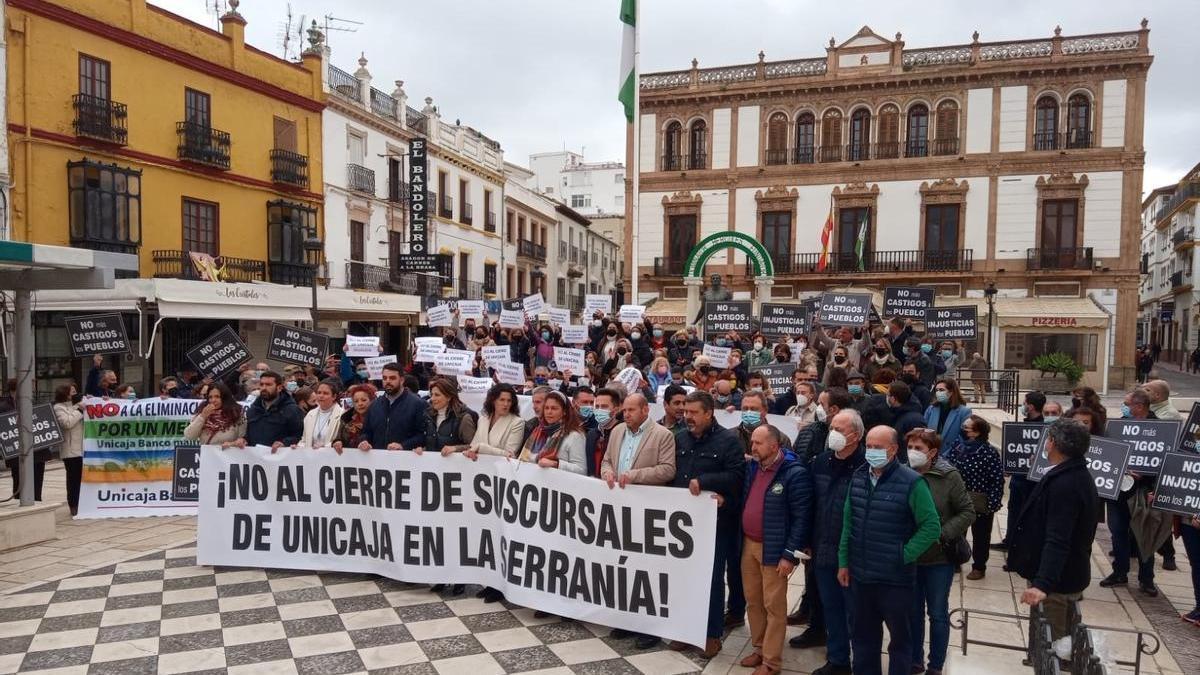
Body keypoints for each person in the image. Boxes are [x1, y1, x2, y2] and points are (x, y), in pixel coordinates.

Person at [838, 425, 941, 675]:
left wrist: (902, 555)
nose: (871, 451)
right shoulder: (860, 476)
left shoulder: (912, 482)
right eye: (869, 446)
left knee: (900, 642)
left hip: (895, 580)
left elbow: (931, 527)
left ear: (893, 450)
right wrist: (843, 561)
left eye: (878, 447)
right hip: (861, 576)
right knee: (863, 639)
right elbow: (848, 521)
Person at [1007, 419, 1099, 644]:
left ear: (1055, 443)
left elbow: (1058, 539)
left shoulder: (1067, 484)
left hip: (1057, 585)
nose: (1045, 444)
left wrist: (1042, 584)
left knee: (1053, 647)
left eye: (1048, 439)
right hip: (1061, 578)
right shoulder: (1068, 474)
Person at [669, 391, 746, 658]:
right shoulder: (679, 438)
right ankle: (684, 629)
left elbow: (737, 476)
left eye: (693, 413)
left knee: (711, 579)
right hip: (682, 524)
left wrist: (706, 482)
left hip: (716, 522)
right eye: (685, 412)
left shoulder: (729, 441)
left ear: (709, 413)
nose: (687, 417)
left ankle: (711, 635)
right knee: (683, 578)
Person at [602, 393, 678, 649]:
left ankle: (650, 627)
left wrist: (634, 475)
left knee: (647, 569)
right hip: (619, 508)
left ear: (646, 409)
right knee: (622, 566)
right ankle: (626, 619)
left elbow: (668, 470)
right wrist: (607, 472)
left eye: (631, 410)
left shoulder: (662, 435)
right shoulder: (617, 432)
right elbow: (607, 461)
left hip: (647, 509)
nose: (626, 414)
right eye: (624, 410)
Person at [739, 425, 812, 675]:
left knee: (774, 606)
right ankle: (759, 648)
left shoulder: (794, 473)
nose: (753, 447)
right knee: (753, 601)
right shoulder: (753, 467)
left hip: (774, 548)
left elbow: (802, 516)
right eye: (752, 442)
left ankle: (771, 662)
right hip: (748, 544)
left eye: (758, 443)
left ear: (774, 445)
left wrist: (789, 554)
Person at [797, 410, 865, 673]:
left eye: (840, 429)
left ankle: (861, 660)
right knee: (832, 608)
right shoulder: (821, 462)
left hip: (853, 553)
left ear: (856, 436)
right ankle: (838, 661)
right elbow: (810, 503)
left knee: (856, 613)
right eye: (832, 428)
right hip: (823, 548)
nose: (833, 433)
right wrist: (806, 539)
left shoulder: (865, 467)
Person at [905, 428, 975, 675]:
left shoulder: (948, 476)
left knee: (937, 612)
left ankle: (936, 664)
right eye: (910, 447)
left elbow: (967, 511)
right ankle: (914, 660)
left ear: (932, 452)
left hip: (938, 558)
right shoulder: (903, 473)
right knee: (912, 611)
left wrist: (941, 534)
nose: (913, 453)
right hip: (910, 556)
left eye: (919, 449)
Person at [945, 415, 1004, 580]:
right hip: (958, 497)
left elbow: (996, 479)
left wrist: (993, 502)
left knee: (981, 535)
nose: (963, 429)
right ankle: (956, 560)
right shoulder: (958, 446)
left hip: (979, 500)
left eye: (967, 428)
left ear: (976, 433)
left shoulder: (989, 452)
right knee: (956, 531)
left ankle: (979, 566)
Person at [994, 391, 1047, 553]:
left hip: (1034, 481)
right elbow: (1014, 450)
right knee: (1014, 510)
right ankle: (1010, 541)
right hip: (1018, 479)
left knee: (1029, 515)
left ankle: (1023, 548)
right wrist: (1010, 465)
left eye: (1024, 403)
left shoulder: (1047, 430)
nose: (1022, 406)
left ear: (1030, 406)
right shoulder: (1021, 426)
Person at [359, 363, 428, 451]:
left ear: (402, 380)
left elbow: (423, 435)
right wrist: (364, 441)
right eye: (384, 378)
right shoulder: (374, 405)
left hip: (405, 461)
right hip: (377, 461)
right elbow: (366, 432)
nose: (387, 381)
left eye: (392, 378)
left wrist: (403, 446)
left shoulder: (418, 404)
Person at [520, 390, 586, 474]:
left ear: (564, 411)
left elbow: (581, 470)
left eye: (554, 408)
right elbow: (526, 458)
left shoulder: (575, 435)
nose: (549, 412)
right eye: (546, 408)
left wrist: (556, 464)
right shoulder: (538, 431)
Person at [236, 371, 303, 449]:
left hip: (279, 457)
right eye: (261, 384)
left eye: (268, 385)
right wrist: (244, 439)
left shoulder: (291, 410)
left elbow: (299, 436)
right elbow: (250, 434)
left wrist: (284, 443)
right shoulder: (253, 409)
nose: (264, 388)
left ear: (279, 388)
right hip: (255, 458)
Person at [468, 384, 526, 461]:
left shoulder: (517, 422)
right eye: (502, 400)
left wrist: (481, 448)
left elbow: (510, 454)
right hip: (480, 467)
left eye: (509, 401)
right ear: (493, 401)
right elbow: (473, 446)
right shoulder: (483, 419)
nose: (506, 404)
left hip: (501, 470)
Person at [420, 378, 478, 456]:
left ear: (448, 397)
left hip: (455, 466)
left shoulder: (463, 418)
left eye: (437, 395)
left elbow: (474, 446)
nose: (432, 398)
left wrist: (455, 448)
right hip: (432, 466)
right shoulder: (428, 416)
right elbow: (432, 444)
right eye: (431, 395)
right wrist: (422, 449)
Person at [52, 384, 86, 515]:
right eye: (73, 392)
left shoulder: (78, 405)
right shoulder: (58, 408)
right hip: (70, 450)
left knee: (83, 479)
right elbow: (67, 423)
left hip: (83, 448)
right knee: (73, 480)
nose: (76, 393)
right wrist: (79, 410)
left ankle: (83, 503)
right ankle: (73, 504)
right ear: (66, 394)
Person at [185, 382, 247, 446]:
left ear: (225, 398)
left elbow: (243, 439)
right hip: (207, 454)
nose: (213, 400)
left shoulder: (236, 413)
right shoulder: (202, 411)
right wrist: (202, 416)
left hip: (229, 454)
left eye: (217, 397)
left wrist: (232, 444)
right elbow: (189, 436)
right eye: (210, 397)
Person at [924, 378, 971, 450]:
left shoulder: (964, 411)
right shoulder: (931, 409)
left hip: (952, 452)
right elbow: (924, 429)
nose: (938, 393)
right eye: (936, 390)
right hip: (932, 451)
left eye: (941, 390)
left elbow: (964, 436)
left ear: (951, 392)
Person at [585, 387, 623, 476]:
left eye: (604, 407)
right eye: (597, 407)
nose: (599, 410)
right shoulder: (591, 434)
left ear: (616, 410)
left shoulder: (624, 434)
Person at [298, 380, 343, 449]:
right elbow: (304, 441)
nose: (321, 396)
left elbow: (343, 442)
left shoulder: (342, 414)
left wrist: (323, 448)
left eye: (325, 393)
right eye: (319, 393)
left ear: (334, 397)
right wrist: (297, 447)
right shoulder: (310, 414)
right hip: (311, 457)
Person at [332, 383, 376, 451]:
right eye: (356, 401)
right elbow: (339, 438)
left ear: (372, 400)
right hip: (350, 459)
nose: (360, 404)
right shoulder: (346, 419)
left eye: (364, 400)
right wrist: (337, 442)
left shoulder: (379, 418)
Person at [736, 390, 769, 455]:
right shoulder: (730, 437)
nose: (749, 412)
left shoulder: (778, 438)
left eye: (754, 409)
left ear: (765, 411)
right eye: (745, 408)